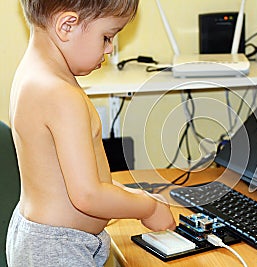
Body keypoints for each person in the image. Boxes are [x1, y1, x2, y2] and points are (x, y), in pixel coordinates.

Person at [6, 0, 176, 266]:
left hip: (45, 241)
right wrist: (148, 207)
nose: (110, 48)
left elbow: (68, 180)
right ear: (67, 26)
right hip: (59, 249)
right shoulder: (59, 93)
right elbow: (87, 195)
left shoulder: (34, 76)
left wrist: (132, 196)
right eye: (107, 37)